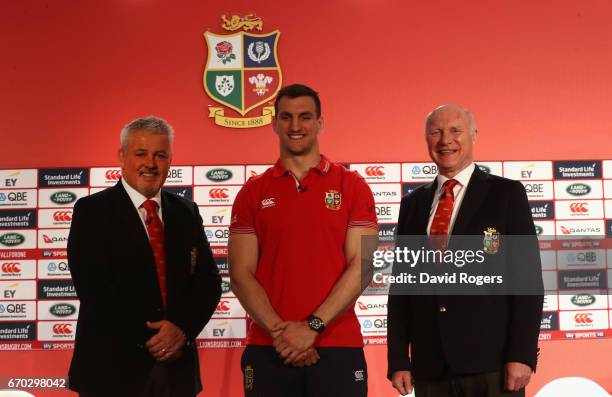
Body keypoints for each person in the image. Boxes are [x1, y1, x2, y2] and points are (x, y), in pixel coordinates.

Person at [228, 84, 379, 397]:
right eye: (286, 117)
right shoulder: (251, 193)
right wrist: (283, 335)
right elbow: (241, 275)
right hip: (269, 347)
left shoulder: (352, 186)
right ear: (274, 123)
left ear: (320, 123)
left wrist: (312, 327)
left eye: (305, 117)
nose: (295, 126)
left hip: (336, 346)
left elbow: (362, 266)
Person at [387, 104, 544, 397]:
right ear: (427, 140)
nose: (445, 140)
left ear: (474, 136)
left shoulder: (507, 194)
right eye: (436, 132)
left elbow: (528, 281)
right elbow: (401, 289)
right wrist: (398, 359)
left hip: (492, 366)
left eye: (455, 131)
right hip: (430, 366)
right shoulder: (413, 204)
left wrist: (522, 354)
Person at [67, 116, 221, 397]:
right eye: (141, 154)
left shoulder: (187, 212)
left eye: (160, 155)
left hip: (177, 373)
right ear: (122, 157)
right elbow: (94, 289)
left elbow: (208, 282)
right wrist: (156, 339)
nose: (150, 163)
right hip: (111, 373)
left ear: (170, 161)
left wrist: (181, 331)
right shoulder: (92, 212)